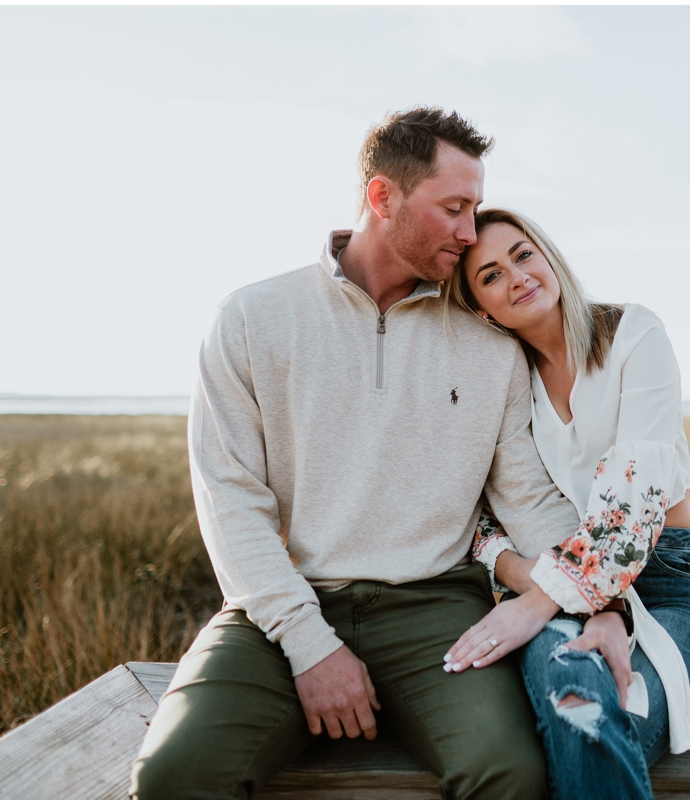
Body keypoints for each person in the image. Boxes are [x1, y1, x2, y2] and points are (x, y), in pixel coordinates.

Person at [129, 108, 586, 798]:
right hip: (281, 604)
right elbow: (231, 503)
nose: (471, 233)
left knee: (511, 771)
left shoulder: (492, 345)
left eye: (476, 210)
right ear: (382, 197)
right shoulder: (253, 318)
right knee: (176, 774)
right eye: (454, 208)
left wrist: (601, 599)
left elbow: (529, 500)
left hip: (436, 608)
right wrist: (311, 646)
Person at [441, 208, 690, 798]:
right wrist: (521, 578)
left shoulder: (634, 334)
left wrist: (537, 602)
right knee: (572, 710)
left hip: (668, 584)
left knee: (601, 726)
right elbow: (475, 514)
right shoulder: (505, 378)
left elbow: (635, 498)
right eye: (490, 276)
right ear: (478, 308)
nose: (517, 276)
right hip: (553, 584)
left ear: (547, 254)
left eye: (522, 255)